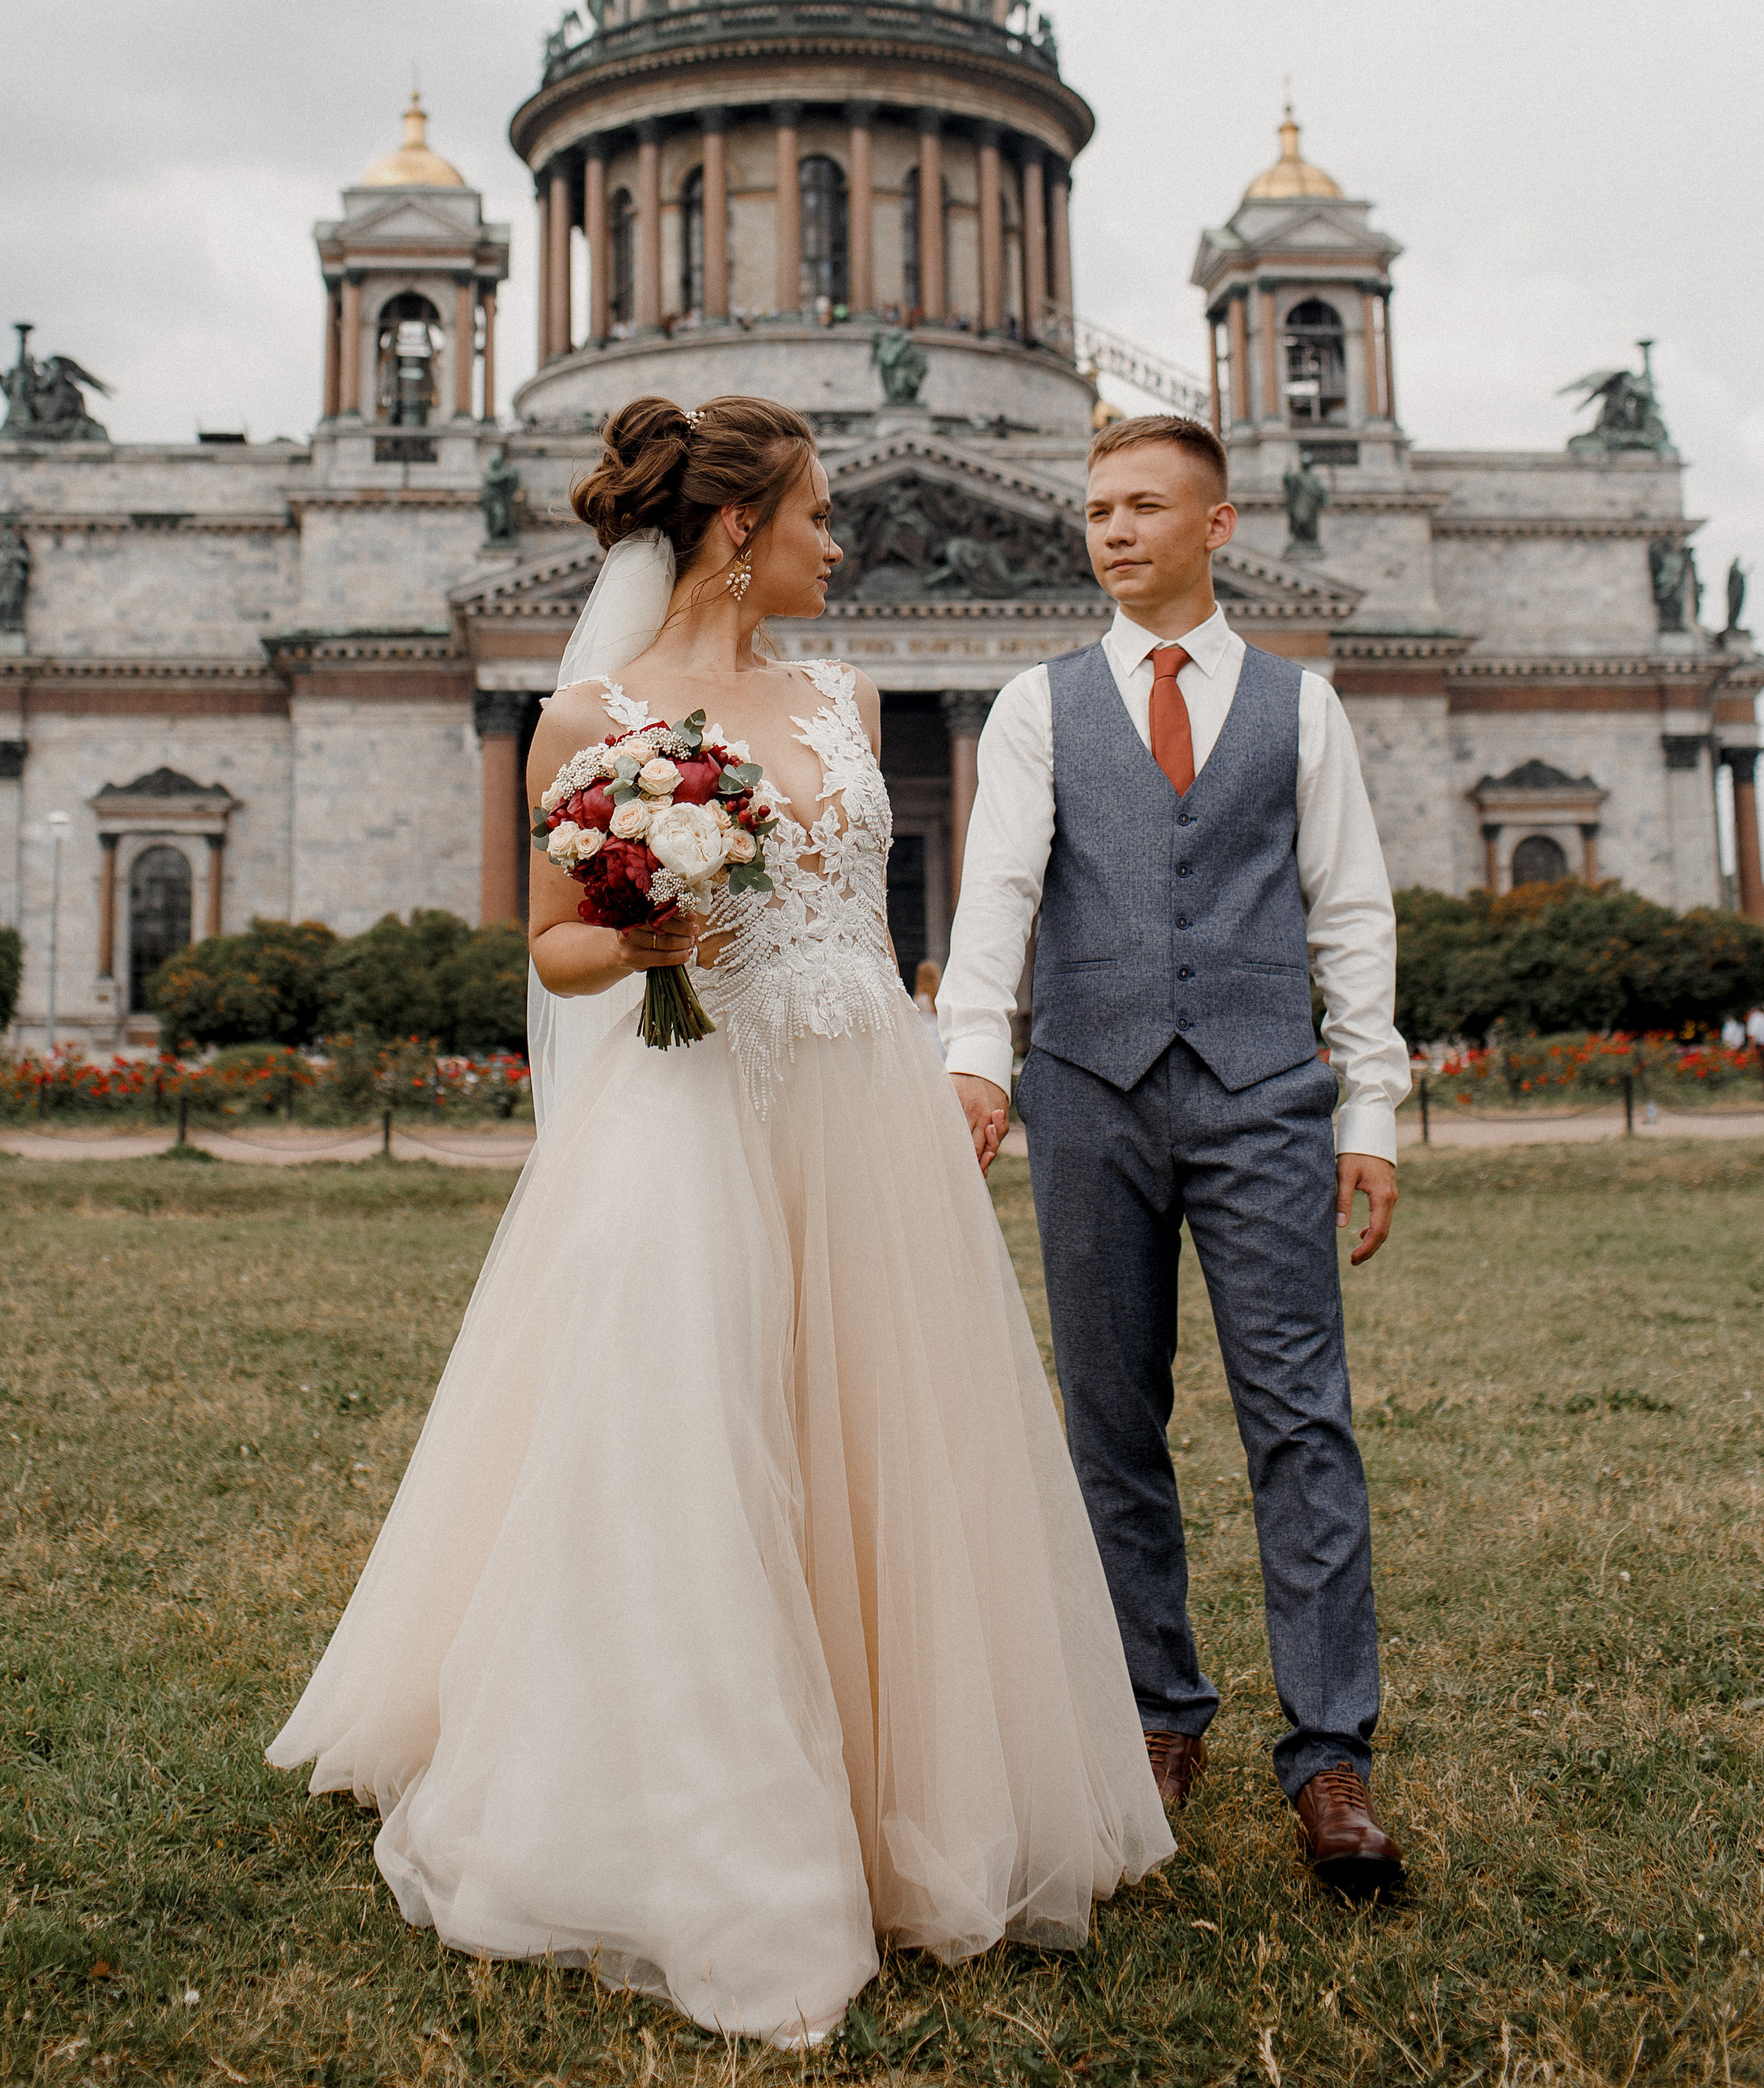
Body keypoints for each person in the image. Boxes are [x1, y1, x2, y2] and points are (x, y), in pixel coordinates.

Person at [269, 396, 1170, 2043]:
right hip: (698, 1113)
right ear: (743, 530)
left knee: (882, 1443)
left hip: (861, 1118)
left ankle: (905, 1789)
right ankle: (712, 1824)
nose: (845, 542)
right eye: (821, 514)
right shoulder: (586, 716)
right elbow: (550, 941)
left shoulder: (849, 689)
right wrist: (649, 939)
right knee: (698, 1450)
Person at [938, 412, 1411, 1898]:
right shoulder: (1037, 705)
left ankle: (1329, 1757)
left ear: (1217, 527)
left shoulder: (1302, 708)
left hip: (1267, 1095)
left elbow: (1352, 914)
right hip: (1089, 1093)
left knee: (1300, 1420)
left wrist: (1371, 1111)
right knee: (1109, 1425)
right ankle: (1156, 1715)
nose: (1113, 529)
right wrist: (971, 1058)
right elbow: (998, 886)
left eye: (1145, 506)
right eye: (1097, 509)